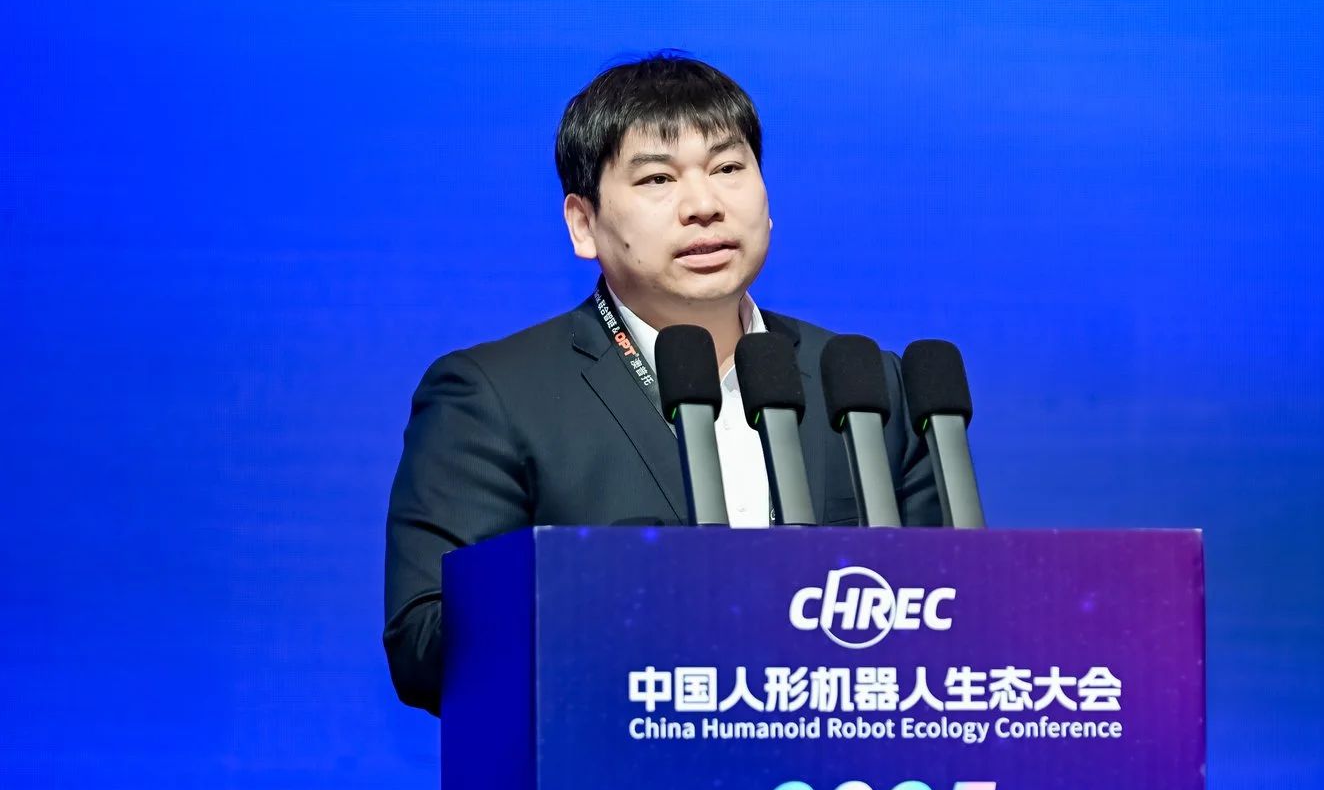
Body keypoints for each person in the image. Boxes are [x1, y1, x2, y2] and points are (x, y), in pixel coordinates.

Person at [384, 53, 938, 715]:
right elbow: (423, 645)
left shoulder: (863, 384)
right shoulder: (493, 395)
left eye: (728, 169)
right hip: (613, 764)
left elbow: (954, 607)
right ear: (583, 224)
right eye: (657, 179)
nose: (704, 206)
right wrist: (609, 582)